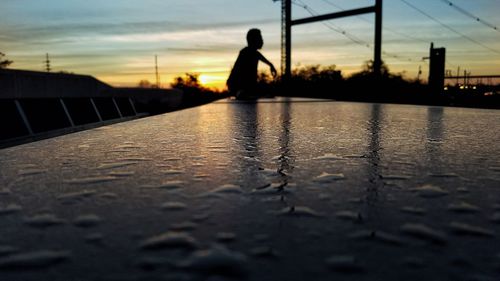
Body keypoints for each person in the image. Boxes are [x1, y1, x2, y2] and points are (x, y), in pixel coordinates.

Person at [227, 28, 277, 99]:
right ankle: (240, 92)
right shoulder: (245, 52)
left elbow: (260, 56)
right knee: (249, 90)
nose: (262, 41)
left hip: (246, 85)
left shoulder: (253, 52)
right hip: (237, 85)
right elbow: (238, 74)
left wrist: (271, 65)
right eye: (260, 38)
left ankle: (245, 92)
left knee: (267, 90)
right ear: (253, 40)